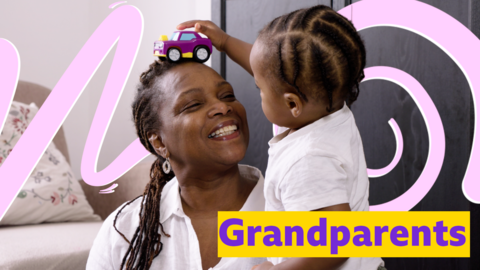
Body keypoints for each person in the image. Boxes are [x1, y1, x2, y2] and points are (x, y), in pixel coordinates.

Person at [177, 4, 385, 270]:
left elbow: (336, 247)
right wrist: (225, 42)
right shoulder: (329, 102)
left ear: (292, 104)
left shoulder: (309, 161)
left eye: (259, 89)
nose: (258, 90)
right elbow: (272, 71)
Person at [86, 60, 266, 270]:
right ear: (160, 143)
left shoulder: (292, 210)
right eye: (194, 104)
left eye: (227, 96)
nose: (222, 107)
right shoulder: (125, 229)